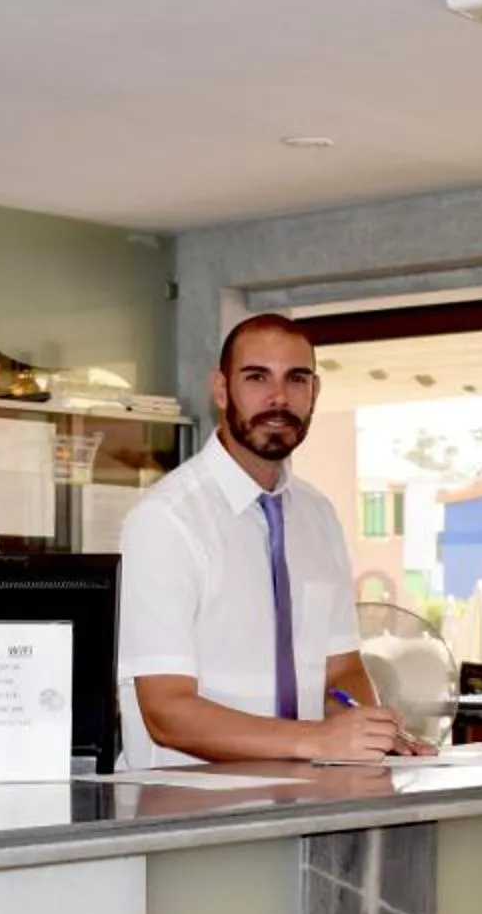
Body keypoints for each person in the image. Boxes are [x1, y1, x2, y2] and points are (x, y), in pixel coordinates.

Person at [117, 312, 433, 767]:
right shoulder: (166, 521)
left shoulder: (318, 516)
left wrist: (370, 731)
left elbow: (339, 672)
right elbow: (166, 712)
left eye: (296, 379)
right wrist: (318, 740)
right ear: (222, 390)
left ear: (315, 393)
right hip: (186, 814)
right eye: (257, 377)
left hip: (297, 802)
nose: (279, 397)